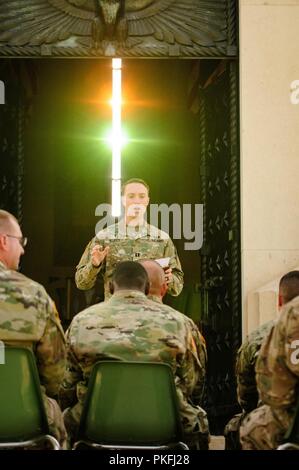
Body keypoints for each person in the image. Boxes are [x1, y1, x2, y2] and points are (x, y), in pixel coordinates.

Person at [60, 261, 207, 448]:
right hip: (165, 422)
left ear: (111, 287)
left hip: (95, 422)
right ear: (146, 288)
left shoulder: (81, 322)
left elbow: (66, 385)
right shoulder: (179, 323)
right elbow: (193, 384)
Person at [0, 210, 67, 448]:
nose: (24, 249)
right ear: (3, 241)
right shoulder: (34, 295)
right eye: (21, 241)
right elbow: (55, 375)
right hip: (22, 413)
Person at [224, 270, 299, 450]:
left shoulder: (259, 337)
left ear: (279, 301)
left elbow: (248, 395)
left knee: (242, 428)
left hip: (286, 422)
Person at [75, 178, 183, 299]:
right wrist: (94, 265)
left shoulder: (162, 239)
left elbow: (177, 288)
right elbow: (81, 283)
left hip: (148, 314)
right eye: (131, 196)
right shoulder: (104, 238)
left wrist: (168, 278)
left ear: (147, 200)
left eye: (142, 196)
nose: (137, 201)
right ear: (123, 200)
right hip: (116, 314)